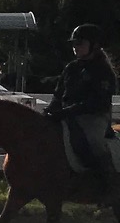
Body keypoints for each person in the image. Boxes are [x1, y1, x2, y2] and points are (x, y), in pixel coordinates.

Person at [47, 24, 117, 201]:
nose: (76, 47)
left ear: (93, 45)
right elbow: (58, 94)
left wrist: (67, 112)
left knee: (93, 141)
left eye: (80, 43)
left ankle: (109, 183)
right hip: (68, 114)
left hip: (93, 116)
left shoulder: (103, 71)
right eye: (74, 44)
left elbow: (96, 102)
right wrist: (49, 111)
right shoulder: (71, 68)